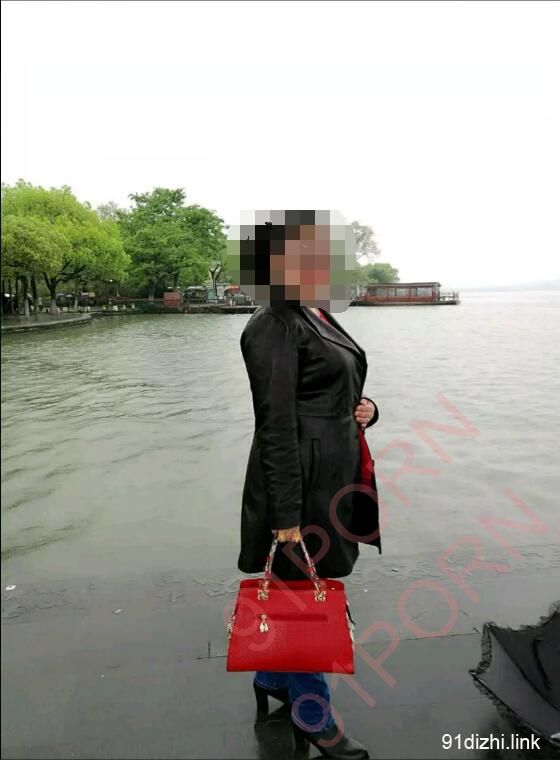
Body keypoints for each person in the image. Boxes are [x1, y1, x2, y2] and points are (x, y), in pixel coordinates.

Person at [237, 211, 381, 759]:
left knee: (300, 589)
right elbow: (274, 425)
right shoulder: (274, 323)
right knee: (303, 599)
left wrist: (367, 409)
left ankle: (274, 676)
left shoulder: (314, 313)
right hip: (300, 484)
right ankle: (312, 714)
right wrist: (286, 517)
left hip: (332, 475)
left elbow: (334, 386)